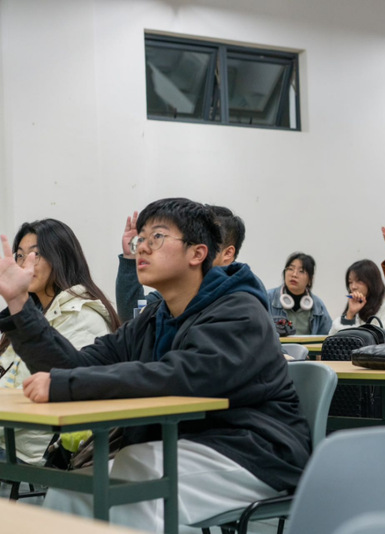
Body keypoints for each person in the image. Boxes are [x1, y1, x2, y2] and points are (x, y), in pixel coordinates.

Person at [0, 198, 310, 531]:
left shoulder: (240, 312)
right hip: (173, 447)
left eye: (157, 237)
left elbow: (180, 377)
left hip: (251, 451)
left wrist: (69, 384)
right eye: (141, 239)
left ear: (197, 253)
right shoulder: (153, 318)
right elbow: (72, 365)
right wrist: (19, 302)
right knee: (69, 495)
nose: (142, 248)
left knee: (115, 501)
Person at [0, 219, 120, 464]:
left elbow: (63, 391)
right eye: (20, 255)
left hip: (31, 451)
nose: (25, 264)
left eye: (36, 254)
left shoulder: (83, 317)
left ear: (60, 257)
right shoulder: (30, 313)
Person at [116, 205, 253, 322]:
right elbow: (133, 316)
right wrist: (130, 257)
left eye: (206, 243)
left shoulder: (240, 305)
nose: (195, 250)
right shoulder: (177, 291)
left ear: (227, 253)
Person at [329, 259, 385, 339]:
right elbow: (335, 339)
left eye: (359, 281)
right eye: (350, 282)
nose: (353, 287)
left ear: (372, 281)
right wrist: (350, 314)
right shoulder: (356, 302)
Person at [266, 252, 332, 336]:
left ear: (310, 279)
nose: (294, 275)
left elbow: (327, 336)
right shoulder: (268, 298)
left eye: (301, 271)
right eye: (290, 269)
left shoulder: (318, 306)